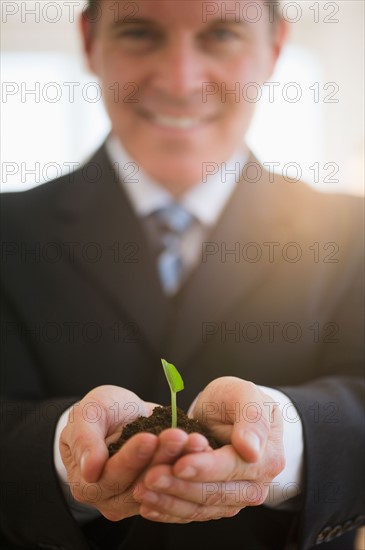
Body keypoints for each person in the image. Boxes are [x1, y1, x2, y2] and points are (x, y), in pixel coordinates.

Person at [1, 1, 363, 549]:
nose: (179, 80)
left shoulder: (354, 234)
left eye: (221, 35)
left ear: (275, 47)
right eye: (140, 33)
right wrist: (65, 451)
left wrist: (280, 438)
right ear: (89, 40)